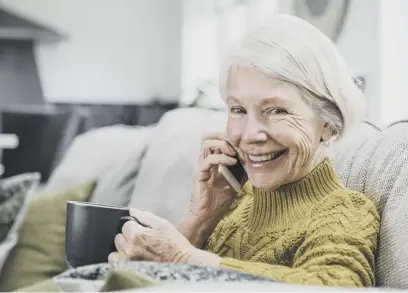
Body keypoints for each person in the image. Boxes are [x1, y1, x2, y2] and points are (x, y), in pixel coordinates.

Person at [108, 15, 380, 287]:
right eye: (238, 110)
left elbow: (335, 286)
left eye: (276, 111)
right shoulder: (234, 202)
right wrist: (199, 221)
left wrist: (183, 257)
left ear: (329, 125)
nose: (249, 135)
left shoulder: (346, 212)